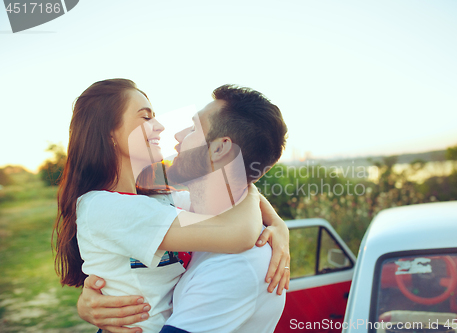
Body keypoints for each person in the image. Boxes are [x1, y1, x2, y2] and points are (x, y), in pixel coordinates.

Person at [53, 79, 290, 333]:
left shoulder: (159, 202)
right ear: (109, 131)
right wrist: (265, 208)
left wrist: (275, 221)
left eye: (192, 129)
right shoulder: (104, 207)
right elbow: (239, 229)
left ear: (221, 148)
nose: (163, 127)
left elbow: (226, 201)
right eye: (146, 118)